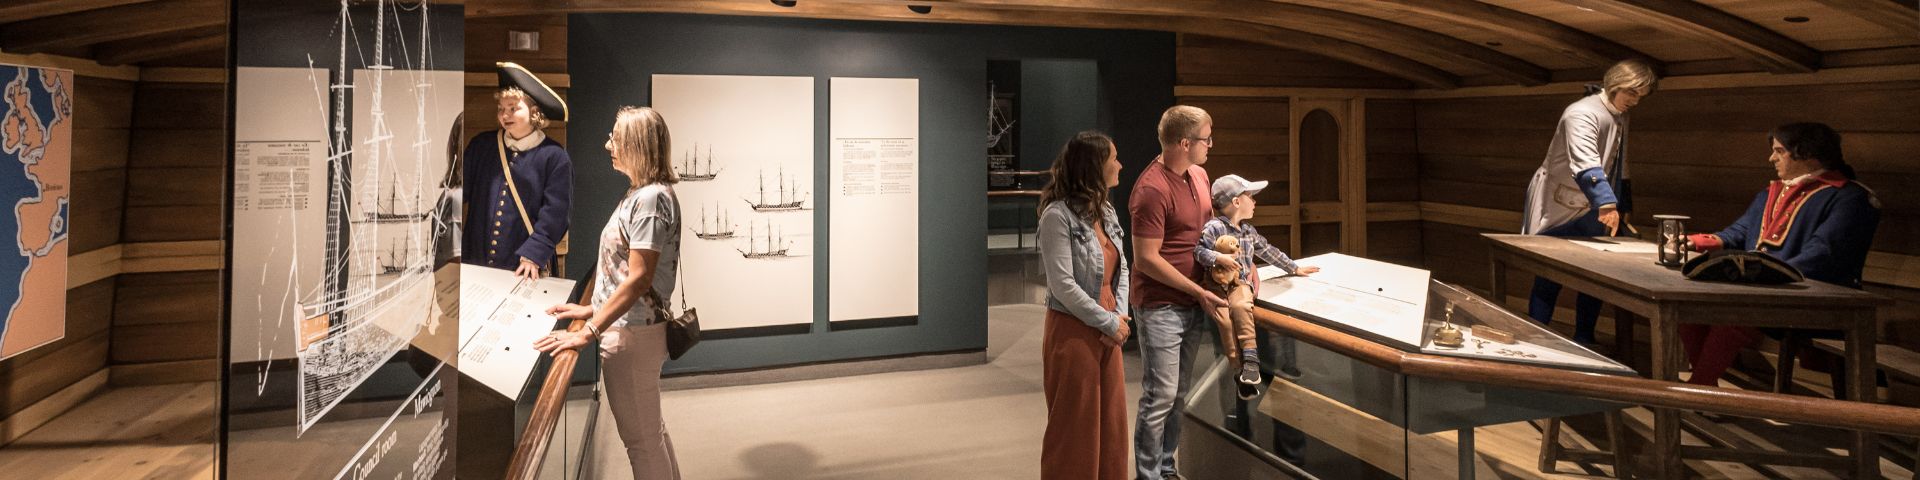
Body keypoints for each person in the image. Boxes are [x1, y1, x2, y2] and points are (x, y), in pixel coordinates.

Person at [536, 107, 683, 479]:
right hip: (632, 329)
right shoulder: (640, 194)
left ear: (637, 145)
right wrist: (590, 310)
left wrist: (592, 329)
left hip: (632, 335)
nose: (608, 145)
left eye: (615, 138)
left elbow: (638, 279)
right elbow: (626, 275)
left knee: (642, 442)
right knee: (651, 433)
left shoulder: (649, 199)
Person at [1678, 122, 1880, 387]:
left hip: (1817, 296)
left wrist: (1764, 275)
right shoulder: (1771, 192)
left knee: (1737, 312)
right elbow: (1739, 232)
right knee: (1687, 305)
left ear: (1806, 153)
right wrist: (1695, 242)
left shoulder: (1850, 197)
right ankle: (1705, 384)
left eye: (1779, 151)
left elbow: (1822, 254)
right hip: (1765, 288)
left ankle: (1700, 386)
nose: (1771, 158)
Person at [1521, 59, 1657, 344]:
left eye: (1640, 95)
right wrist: (1607, 203)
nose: (1636, 99)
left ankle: (1585, 338)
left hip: (1596, 202)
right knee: (1550, 273)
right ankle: (1535, 336)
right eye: (1632, 92)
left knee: (1595, 274)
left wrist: (1623, 203)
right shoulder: (1581, 113)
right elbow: (1585, 162)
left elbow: (1621, 162)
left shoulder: (1620, 115)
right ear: (1616, 84)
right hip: (1559, 203)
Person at [1131, 105, 1230, 480]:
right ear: (1184, 142)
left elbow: (1208, 232)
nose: (1211, 145)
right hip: (1160, 306)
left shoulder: (1200, 175)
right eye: (1206, 139)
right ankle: (1148, 475)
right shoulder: (1151, 189)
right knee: (1159, 396)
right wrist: (1196, 290)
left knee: (1179, 395)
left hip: (1193, 301)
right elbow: (1145, 260)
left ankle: (1167, 467)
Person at [1036, 131, 1132, 480]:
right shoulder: (1056, 217)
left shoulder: (1105, 211)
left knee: (1111, 424)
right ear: (1095, 167)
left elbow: (1122, 268)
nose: (1120, 165)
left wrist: (1120, 316)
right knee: (1075, 426)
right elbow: (1062, 285)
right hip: (1074, 329)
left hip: (1110, 325)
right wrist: (1107, 322)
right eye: (1113, 160)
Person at [1196, 174, 1319, 400]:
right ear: (1236, 202)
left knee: (1243, 306)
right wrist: (1218, 258)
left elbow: (1268, 251)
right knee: (1224, 322)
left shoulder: (1248, 232)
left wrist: (1293, 268)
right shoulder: (1214, 228)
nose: (1254, 202)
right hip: (1216, 286)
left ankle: (1251, 359)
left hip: (1239, 284)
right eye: (1250, 197)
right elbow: (1200, 252)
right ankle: (1237, 370)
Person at [464, 61, 573, 281]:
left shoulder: (554, 156)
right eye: (501, 109)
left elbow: (556, 212)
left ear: (534, 113)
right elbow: (457, 192)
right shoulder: (481, 146)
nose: (505, 115)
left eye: (513, 108)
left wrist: (534, 254)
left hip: (523, 266)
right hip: (476, 258)